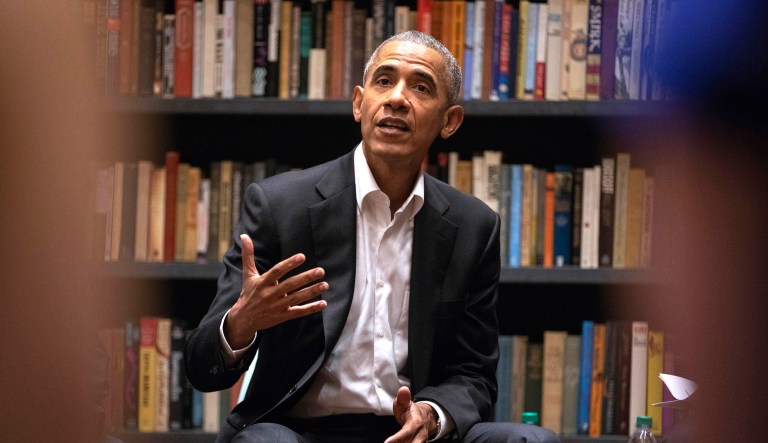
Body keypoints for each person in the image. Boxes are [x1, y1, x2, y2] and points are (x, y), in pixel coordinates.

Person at [185, 31, 559, 443]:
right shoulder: (280, 206)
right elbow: (202, 367)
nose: (397, 98)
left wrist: (432, 416)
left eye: (420, 87)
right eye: (384, 81)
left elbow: (475, 375)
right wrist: (239, 325)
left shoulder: (473, 227)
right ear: (359, 104)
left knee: (532, 441)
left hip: (409, 435)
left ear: (449, 121)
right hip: (299, 432)